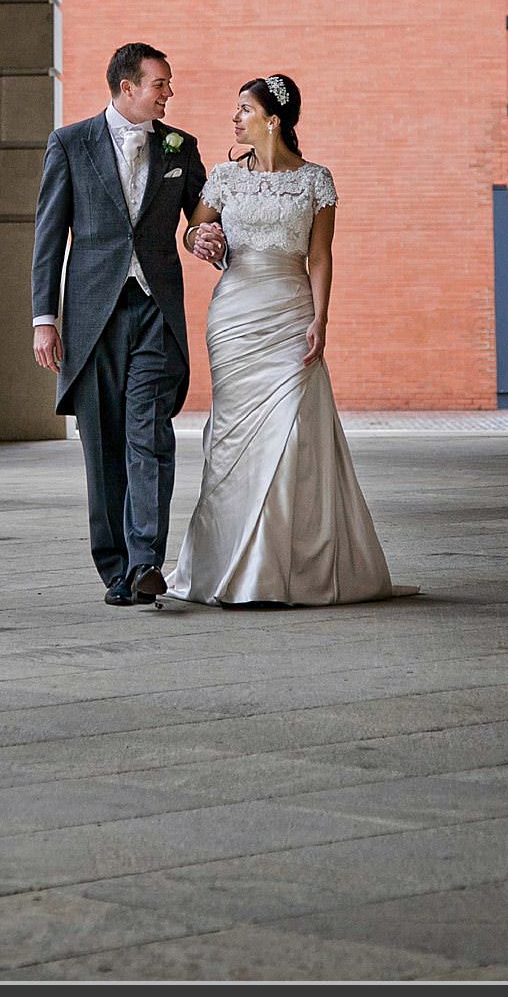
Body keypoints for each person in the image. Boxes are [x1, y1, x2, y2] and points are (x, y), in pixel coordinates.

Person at [164, 75, 410, 606]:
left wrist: (322, 318)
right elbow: (195, 231)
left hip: (291, 311)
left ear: (273, 119)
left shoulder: (316, 181)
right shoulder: (225, 179)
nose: (235, 119)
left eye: (244, 110)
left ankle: (280, 568)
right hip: (234, 317)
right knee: (233, 440)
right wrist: (199, 238)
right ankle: (228, 565)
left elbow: (320, 256)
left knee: (293, 435)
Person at [30, 43, 213, 607]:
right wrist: (45, 319)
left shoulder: (182, 147)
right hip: (92, 317)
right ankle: (114, 568)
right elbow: (49, 233)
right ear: (127, 86)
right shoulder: (71, 143)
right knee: (104, 446)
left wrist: (200, 236)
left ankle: (145, 563)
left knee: (150, 436)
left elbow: (198, 219)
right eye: (160, 84)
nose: (169, 93)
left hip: (155, 311)